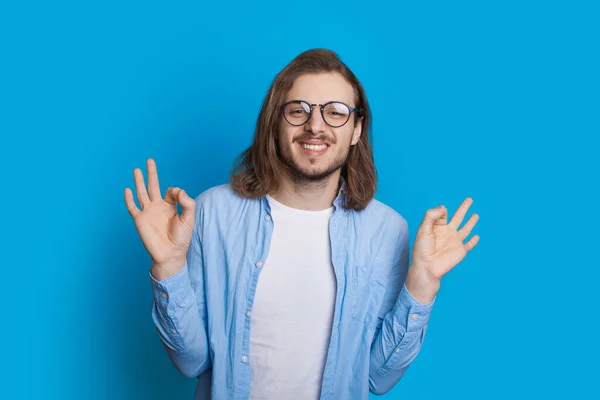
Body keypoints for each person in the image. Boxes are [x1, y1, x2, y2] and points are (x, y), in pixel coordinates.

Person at [124, 48, 480, 399]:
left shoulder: (387, 232)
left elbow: (378, 378)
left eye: (335, 112)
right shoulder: (211, 213)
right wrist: (169, 267)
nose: (315, 126)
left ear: (356, 129)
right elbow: (191, 361)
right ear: (275, 125)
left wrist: (422, 284)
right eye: (298, 111)